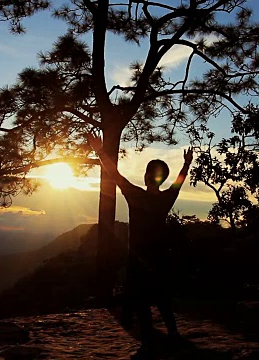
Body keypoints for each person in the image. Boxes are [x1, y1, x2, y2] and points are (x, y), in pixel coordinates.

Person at [87, 133, 193, 358]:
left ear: (146, 177)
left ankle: (148, 345)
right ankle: (173, 334)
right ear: (162, 179)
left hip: (137, 259)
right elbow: (179, 182)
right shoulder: (166, 198)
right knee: (162, 297)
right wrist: (186, 164)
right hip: (159, 257)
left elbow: (114, 174)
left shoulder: (134, 195)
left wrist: (100, 151)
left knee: (141, 302)